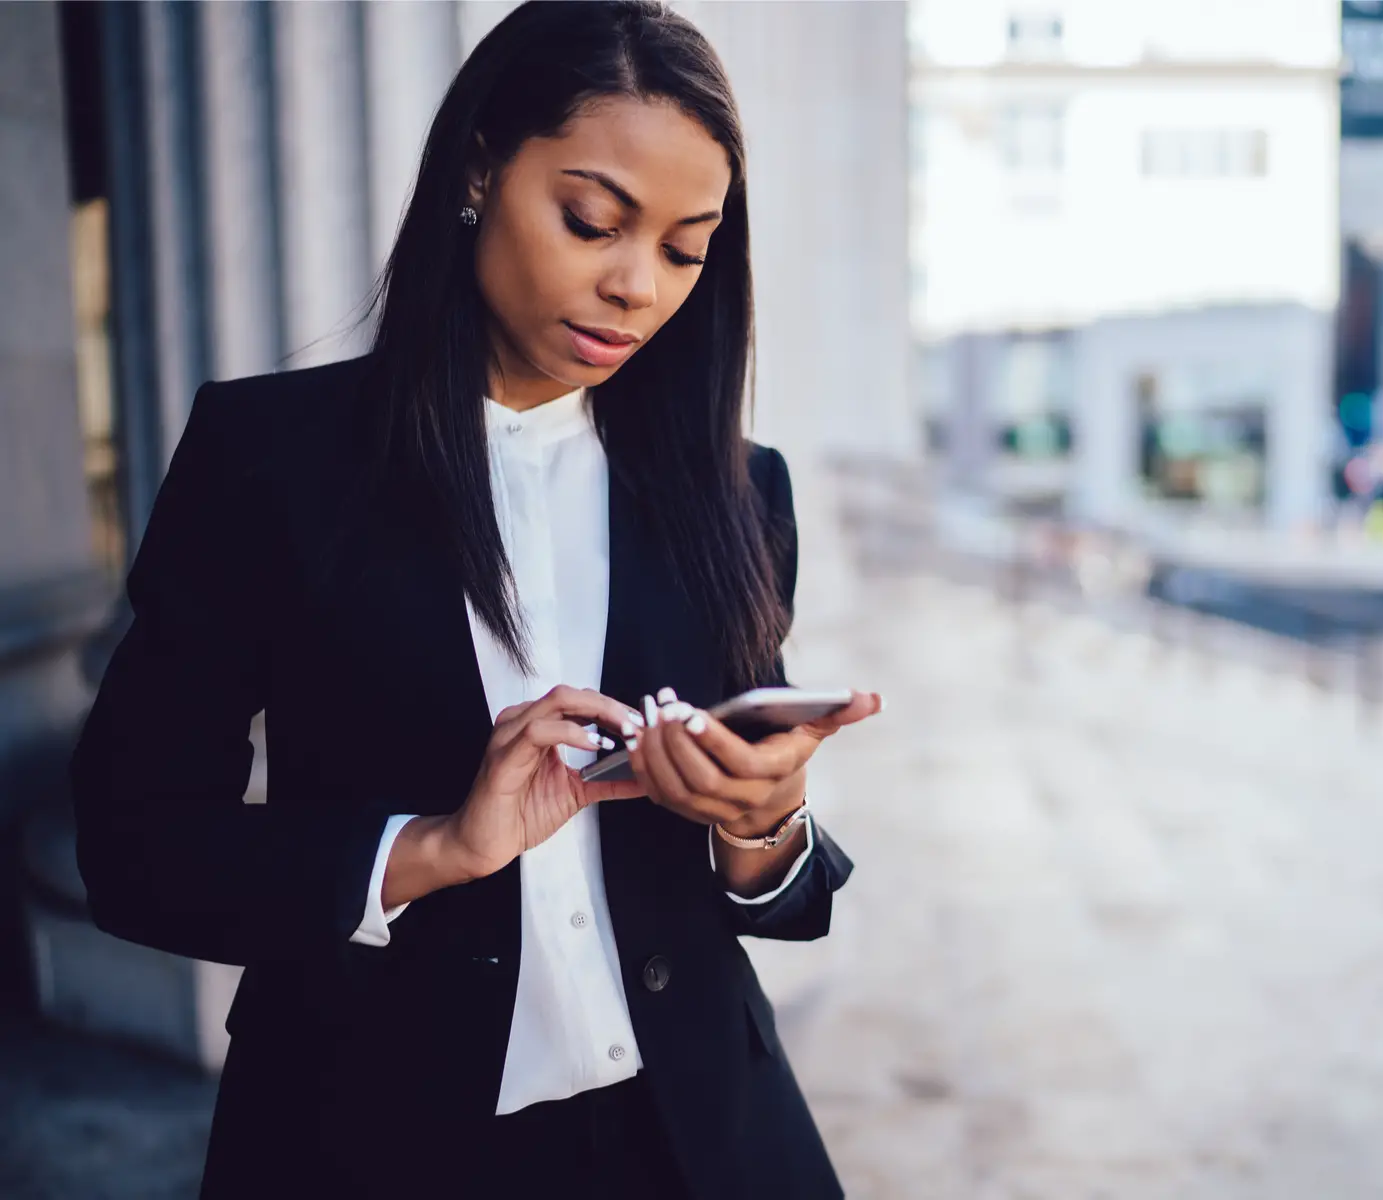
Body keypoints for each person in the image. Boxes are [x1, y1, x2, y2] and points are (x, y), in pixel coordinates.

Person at [68, 5, 881, 1197]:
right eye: (593, 221)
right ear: (476, 169)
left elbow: (774, 900)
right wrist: (427, 850)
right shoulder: (271, 461)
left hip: (703, 1139)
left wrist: (761, 824)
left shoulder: (740, 491)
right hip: (372, 1139)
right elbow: (133, 847)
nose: (634, 287)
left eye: (683, 248)